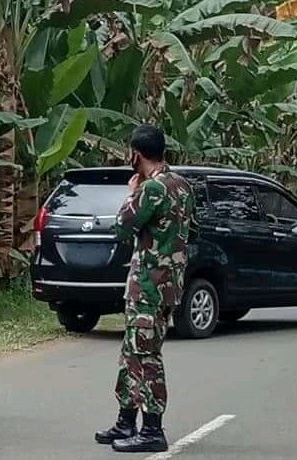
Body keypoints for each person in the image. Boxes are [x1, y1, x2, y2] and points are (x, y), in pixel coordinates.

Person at [95, 125, 194, 453]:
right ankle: (126, 420)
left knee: (145, 355)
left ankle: (152, 429)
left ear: (136, 154)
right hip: (167, 284)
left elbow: (122, 228)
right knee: (131, 352)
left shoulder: (152, 188)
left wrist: (131, 193)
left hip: (149, 286)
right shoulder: (181, 185)